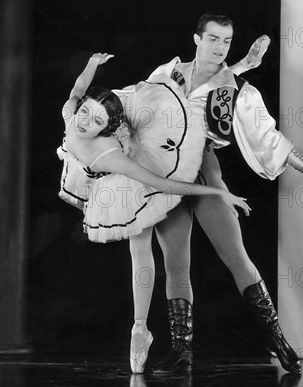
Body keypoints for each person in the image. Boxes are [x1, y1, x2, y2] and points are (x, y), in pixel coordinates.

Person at [119, 12, 303, 374]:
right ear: (197, 39)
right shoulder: (168, 73)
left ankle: (277, 340)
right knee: (176, 267)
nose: (220, 47)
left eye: (226, 41)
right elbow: (138, 103)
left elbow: (268, 137)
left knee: (238, 258)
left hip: (205, 177)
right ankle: (181, 353)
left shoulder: (240, 91)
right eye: (214, 39)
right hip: (164, 177)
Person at [56, 52, 252, 373]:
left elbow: (164, 183)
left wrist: (217, 191)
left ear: (106, 129)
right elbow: (79, 89)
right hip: (106, 167)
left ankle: (139, 328)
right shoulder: (72, 112)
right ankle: (141, 329)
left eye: (96, 121)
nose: (85, 121)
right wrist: (92, 63)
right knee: (161, 92)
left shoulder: (111, 156)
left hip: (133, 170)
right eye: (87, 113)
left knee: (140, 252)